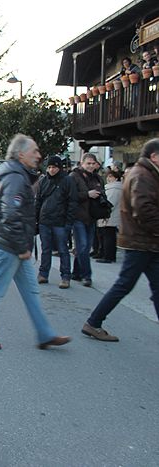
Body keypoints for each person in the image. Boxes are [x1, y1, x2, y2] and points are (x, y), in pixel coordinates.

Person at [0, 134, 71, 351]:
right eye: (34, 151)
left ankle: (45, 334)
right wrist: (21, 247)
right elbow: (11, 214)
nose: (39, 155)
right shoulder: (16, 177)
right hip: (10, 246)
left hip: (14, 245)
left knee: (31, 291)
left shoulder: (18, 174)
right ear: (21, 153)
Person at [83, 139, 159, 342]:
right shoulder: (143, 176)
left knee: (147, 286)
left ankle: (94, 322)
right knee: (124, 285)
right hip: (141, 241)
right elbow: (144, 210)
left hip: (146, 242)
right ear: (154, 156)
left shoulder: (146, 174)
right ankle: (93, 322)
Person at [35, 155, 78, 289]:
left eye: (54, 167)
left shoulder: (67, 181)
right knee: (46, 249)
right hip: (45, 220)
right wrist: (36, 219)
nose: (51, 170)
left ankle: (65, 276)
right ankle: (43, 274)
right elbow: (38, 201)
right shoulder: (43, 182)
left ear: (59, 167)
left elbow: (72, 202)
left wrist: (69, 221)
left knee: (63, 249)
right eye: (49, 167)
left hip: (61, 221)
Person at [70, 153, 104, 287]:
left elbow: (102, 196)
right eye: (88, 163)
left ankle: (76, 273)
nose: (90, 166)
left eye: (92, 163)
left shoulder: (98, 178)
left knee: (83, 247)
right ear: (81, 163)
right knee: (83, 246)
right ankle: (86, 275)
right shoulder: (74, 177)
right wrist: (87, 194)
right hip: (78, 217)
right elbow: (70, 195)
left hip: (92, 217)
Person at [95, 169, 123, 264]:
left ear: (116, 178)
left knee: (108, 237)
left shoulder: (114, 189)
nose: (108, 178)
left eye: (111, 177)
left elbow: (110, 203)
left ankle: (108, 256)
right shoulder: (112, 188)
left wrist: (103, 211)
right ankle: (105, 254)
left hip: (110, 216)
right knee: (107, 236)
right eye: (108, 176)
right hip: (110, 216)